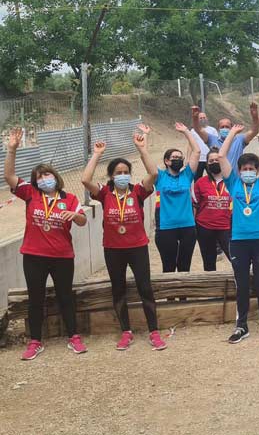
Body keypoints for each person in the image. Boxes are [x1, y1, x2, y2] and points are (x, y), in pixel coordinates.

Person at [5, 128, 88, 360]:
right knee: (35, 298)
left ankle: (74, 337)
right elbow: (9, 177)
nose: (44, 179)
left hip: (62, 256)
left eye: (47, 175)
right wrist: (11, 149)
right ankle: (35, 341)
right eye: (39, 177)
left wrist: (75, 216)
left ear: (55, 176)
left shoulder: (69, 198)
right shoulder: (31, 194)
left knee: (65, 296)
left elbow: (82, 221)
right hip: (34, 256)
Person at [81, 127, 167, 351]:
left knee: (144, 288)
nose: (122, 175)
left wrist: (142, 150)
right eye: (117, 172)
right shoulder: (104, 193)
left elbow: (154, 174)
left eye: (125, 171)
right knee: (118, 289)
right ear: (111, 176)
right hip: (113, 249)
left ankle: (154, 332)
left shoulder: (137, 191)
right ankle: (126, 331)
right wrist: (97, 155)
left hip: (137, 247)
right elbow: (84, 179)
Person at [218, 121, 259, 344]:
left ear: (257, 170)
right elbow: (222, 157)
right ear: (239, 171)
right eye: (244, 169)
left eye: (251, 169)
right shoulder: (233, 183)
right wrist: (233, 134)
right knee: (242, 284)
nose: (248, 172)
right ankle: (241, 326)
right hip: (239, 241)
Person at [154, 122, 200, 273]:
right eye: (174, 157)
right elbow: (145, 159)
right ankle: (170, 297)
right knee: (168, 266)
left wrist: (186, 132)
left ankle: (183, 297)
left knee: (184, 266)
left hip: (187, 226)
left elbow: (197, 151)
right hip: (167, 227)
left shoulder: (186, 175)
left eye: (180, 157)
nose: (178, 159)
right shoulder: (159, 176)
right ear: (167, 161)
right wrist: (143, 143)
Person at [193, 147, 232, 271]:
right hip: (204, 227)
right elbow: (195, 205)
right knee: (209, 262)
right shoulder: (200, 182)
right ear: (207, 164)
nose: (214, 162)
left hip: (227, 227)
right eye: (211, 161)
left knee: (236, 258)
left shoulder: (232, 181)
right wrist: (194, 227)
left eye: (217, 159)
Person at [193, 103, 259, 175]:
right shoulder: (212, 139)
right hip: (218, 180)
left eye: (227, 127)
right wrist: (195, 117)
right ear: (218, 129)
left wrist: (255, 116)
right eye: (222, 127)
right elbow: (198, 130)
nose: (224, 129)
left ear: (231, 128)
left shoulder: (240, 140)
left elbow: (254, 131)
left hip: (235, 178)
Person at [189, 111, 218, 180]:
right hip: (198, 159)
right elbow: (190, 145)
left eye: (204, 117)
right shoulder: (193, 131)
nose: (202, 119)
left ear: (207, 118)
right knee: (197, 179)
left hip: (210, 159)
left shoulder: (212, 130)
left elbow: (216, 144)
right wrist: (188, 158)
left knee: (213, 178)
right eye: (200, 118)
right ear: (197, 119)